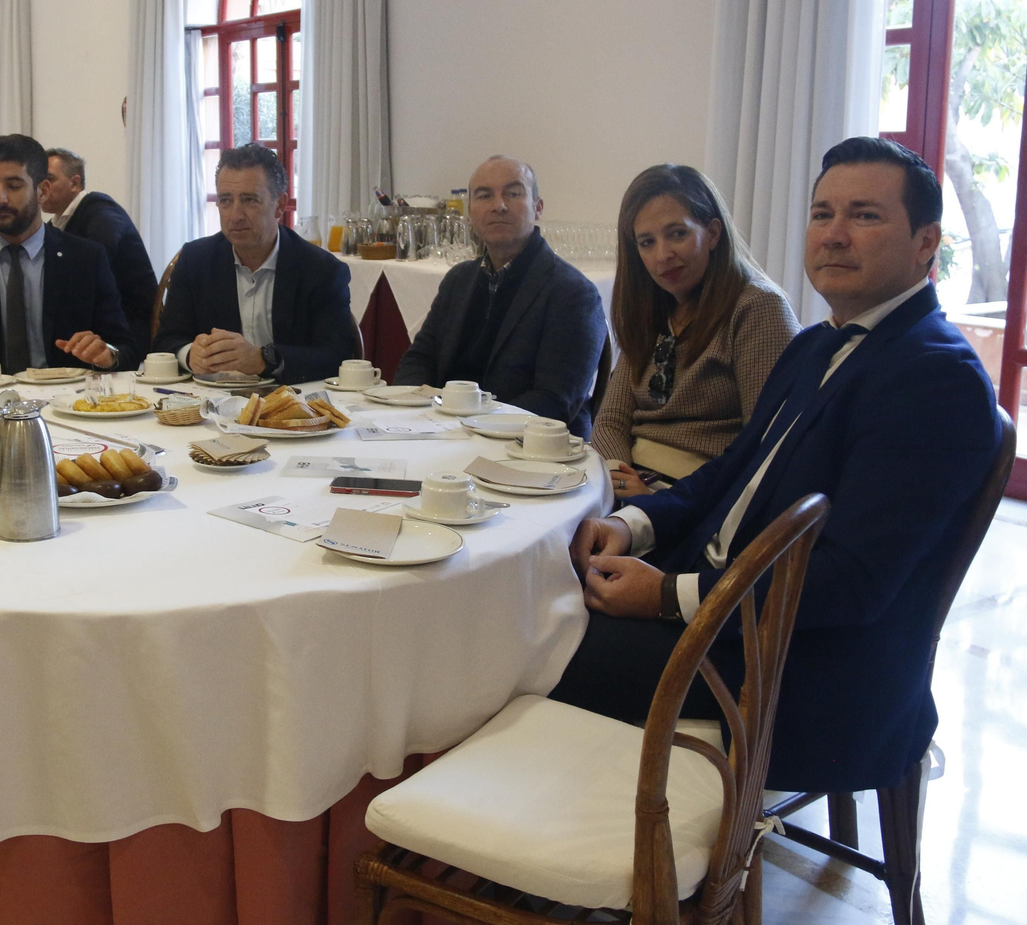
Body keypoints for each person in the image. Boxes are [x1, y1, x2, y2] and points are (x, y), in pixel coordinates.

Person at [554, 137, 1003, 793]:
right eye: (822, 214)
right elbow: (731, 471)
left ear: (926, 241)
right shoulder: (821, 343)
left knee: (536, 644)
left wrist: (669, 597)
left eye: (865, 215)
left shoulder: (936, 377)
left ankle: (549, 836)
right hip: (727, 605)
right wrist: (633, 525)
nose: (834, 234)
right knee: (536, 595)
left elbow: (851, 584)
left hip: (793, 668)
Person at [593, 165, 799, 498]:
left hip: (699, 501)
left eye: (678, 234)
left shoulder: (758, 308)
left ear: (713, 233)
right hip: (631, 487)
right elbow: (611, 420)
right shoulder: (651, 311)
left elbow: (765, 445)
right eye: (647, 242)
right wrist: (618, 479)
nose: (663, 255)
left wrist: (656, 503)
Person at [393, 157, 608, 436]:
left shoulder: (573, 292)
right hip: (443, 432)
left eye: (513, 193)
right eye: (484, 195)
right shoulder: (458, 280)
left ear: (538, 208)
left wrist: (469, 428)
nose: (499, 205)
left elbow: (555, 401)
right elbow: (420, 359)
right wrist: (412, 414)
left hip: (527, 444)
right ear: (470, 212)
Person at [0, 134, 138, 387]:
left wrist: (106, 355)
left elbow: (127, 351)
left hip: (65, 399)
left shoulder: (85, 259)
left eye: (14, 186)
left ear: (42, 191)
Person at [152, 143, 353, 384]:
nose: (235, 216)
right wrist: (189, 355)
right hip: (211, 398)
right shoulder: (195, 260)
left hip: (294, 399)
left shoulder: (321, 270)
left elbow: (339, 356)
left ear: (279, 205)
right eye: (225, 200)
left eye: (249, 200)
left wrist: (263, 360)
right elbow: (165, 341)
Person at [41, 147, 159, 354]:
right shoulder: (55, 225)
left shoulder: (101, 211)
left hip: (128, 332)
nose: (42, 187)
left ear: (74, 183)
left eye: (49, 179)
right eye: (39, 180)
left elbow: (91, 266)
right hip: (94, 325)